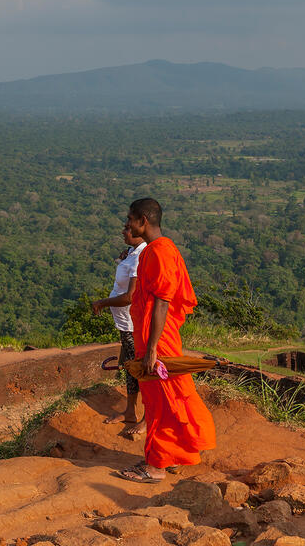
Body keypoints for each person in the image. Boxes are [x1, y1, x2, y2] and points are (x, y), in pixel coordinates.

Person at [114, 197, 215, 483]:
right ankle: (169, 455)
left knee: (161, 401)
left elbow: (162, 302)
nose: (127, 225)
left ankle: (156, 466)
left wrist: (152, 350)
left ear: (142, 221)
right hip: (152, 335)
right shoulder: (155, 250)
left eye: (130, 220)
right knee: (165, 398)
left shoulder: (160, 253)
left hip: (158, 339)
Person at [90, 226, 147, 438]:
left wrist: (102, 303)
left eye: (128, 228)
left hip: (134, 324)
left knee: (142, 371)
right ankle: (130, 411)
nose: (123, 232)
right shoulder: (133, 253)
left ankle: (147, 419)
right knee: (129, 367)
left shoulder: (141, 256)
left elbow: (130, 297)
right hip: (125, 324)